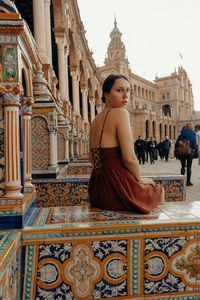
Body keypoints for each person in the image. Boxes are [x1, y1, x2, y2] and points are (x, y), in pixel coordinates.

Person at [88, 74, 164, 213]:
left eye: (128, 90)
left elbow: (91, 158)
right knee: (157, 189)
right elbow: (129, 158)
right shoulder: (120, 113)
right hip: (117, 190)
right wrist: (139, 180)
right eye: (119, 90)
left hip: (96, 189)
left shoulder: (96, 120)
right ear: (106, 94)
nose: (125, 95)